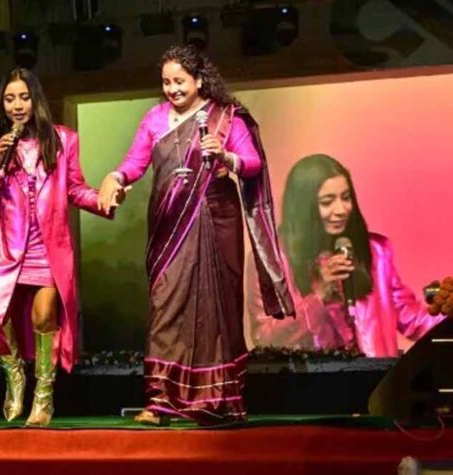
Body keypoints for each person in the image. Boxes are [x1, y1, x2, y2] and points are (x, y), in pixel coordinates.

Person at [97, 45, 294, 426]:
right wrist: (116, 177)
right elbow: (135, 163)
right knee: (165, 304)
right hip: (169, 222)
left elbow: (253, 164)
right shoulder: (155, 118)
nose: (172, 89)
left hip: (217, 219)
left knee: (215, 308)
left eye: (180, 81)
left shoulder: (225, 118)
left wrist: (225, 156)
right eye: (166, 82)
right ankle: (160, 402)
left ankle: (217, 400)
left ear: (200, 80)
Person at [0, 68, 113, 426]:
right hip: (3, 244)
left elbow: (75, 188)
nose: (17, 105)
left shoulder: (62, 139)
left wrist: (103, 200)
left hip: (46, 244)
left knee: (44, 316)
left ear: (36, 100)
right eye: (10, 98)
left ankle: (44, 395)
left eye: (24, 97)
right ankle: (15, 377)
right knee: (0, 316)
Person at [246, 154, 445, 356]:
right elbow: (266, 338)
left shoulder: (376, 251)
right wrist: (318, 296)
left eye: (346, 197)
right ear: (304, 207)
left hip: (374, 374)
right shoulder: (270, 261)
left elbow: (412, 318)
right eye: (327, 202)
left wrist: (447, 312)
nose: (341, 210)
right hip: (308, 374)